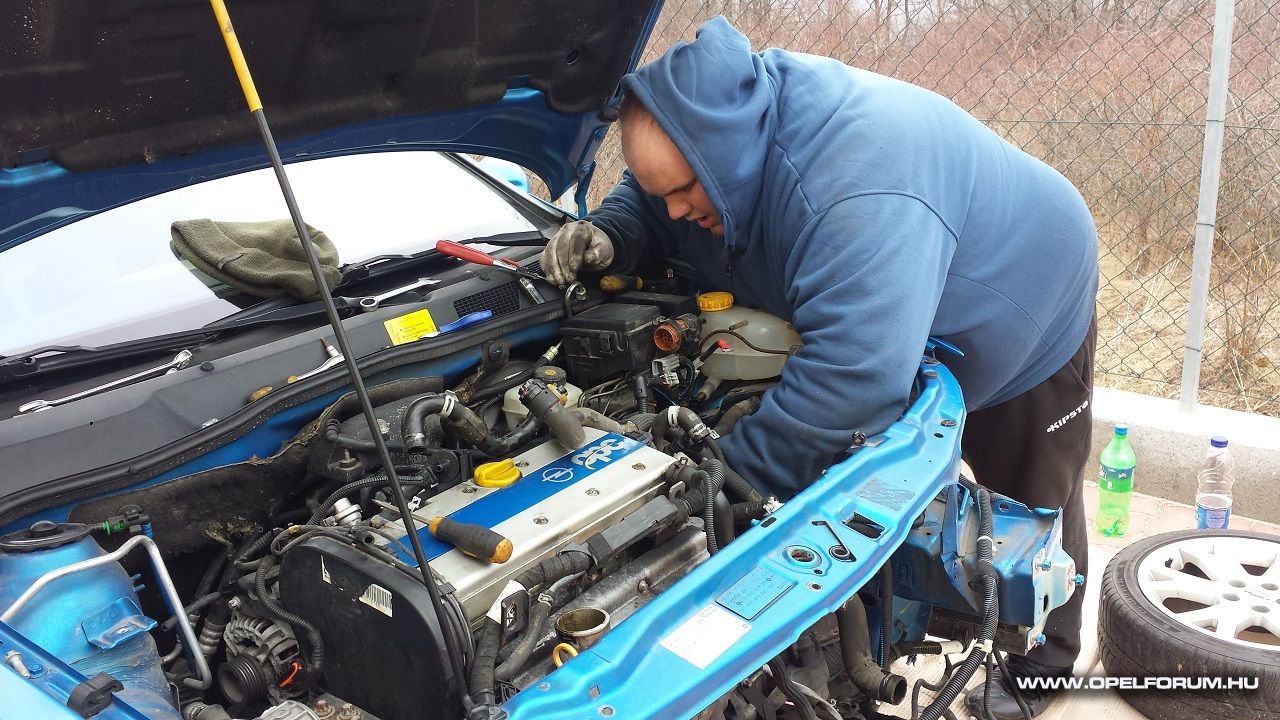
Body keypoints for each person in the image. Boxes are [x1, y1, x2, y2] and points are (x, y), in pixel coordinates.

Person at [541, 17, 1098, 718]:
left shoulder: (855, 184)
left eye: (683, 191)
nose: (675, 209)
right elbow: (653, 198)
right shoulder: (715, 143)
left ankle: (1043, 668)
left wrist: (718, 487)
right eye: (662, 194)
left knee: (1033, 497)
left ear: (724, 157)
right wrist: (615, 230)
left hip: (1023, 294)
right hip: (888, 294)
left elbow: (853, 383)